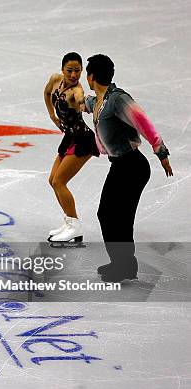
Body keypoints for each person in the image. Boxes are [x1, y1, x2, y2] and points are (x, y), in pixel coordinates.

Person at [84, 54, 173, 283]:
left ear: (91, 76)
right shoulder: (100, 101)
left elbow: (142, 121)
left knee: (116, 216)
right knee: (110, 214)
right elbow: (84, 102)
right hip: (121, 166)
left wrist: (160, 151)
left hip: (132, 166)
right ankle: (122, 264)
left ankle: (124, 265)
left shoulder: (117, 99)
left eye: (86, 73)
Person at [43, 52, 100, 243]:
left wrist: (86, 102)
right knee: (52, 180)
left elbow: (82, 100)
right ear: (62, 70)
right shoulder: (55, 79)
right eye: (70, 70)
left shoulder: (77, 91)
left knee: (59, 181)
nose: (74, 75)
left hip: (82, 140)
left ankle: (75, 227)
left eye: (77, 70)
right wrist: (52, 116)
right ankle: (68, 223)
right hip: (70, 137)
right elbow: (46, 92)